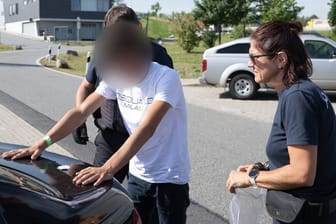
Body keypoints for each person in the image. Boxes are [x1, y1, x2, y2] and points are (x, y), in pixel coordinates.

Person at [2, 22, 190, 224]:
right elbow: (81, 111)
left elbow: (146, 128)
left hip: (170, 178)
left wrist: (108, 168)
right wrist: (41, 144)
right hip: (139, 174)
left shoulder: (166, 78)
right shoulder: (117, 76)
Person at [226, 21, 336, 224]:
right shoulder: (299, 92)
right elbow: (304, 155)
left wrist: (251, 179)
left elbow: (302, 173)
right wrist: (263, 167)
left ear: (280, 59)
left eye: (254, 57)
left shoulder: (298, 97)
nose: (250, 63)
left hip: (307, 216)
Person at [72, 5, 174, 183]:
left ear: (138, 28)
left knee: (143, 202)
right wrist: (79, 119)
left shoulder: (158, 55)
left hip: (146, 143)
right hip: (111, 138)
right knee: (100, 192)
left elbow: (164, 102)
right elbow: (86, 86)